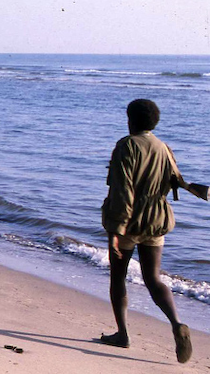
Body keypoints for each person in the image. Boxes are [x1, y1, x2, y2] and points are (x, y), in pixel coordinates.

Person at [100, 99, 191, 363]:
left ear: (130, 120)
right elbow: (175, 181)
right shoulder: (163, 147)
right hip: (156, 220)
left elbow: (123, 190)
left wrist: (117, 229)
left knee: (118, 277)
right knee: (153, 278)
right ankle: (176, 323)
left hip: (129, 222)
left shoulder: (126, 145)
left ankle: (123, 334)